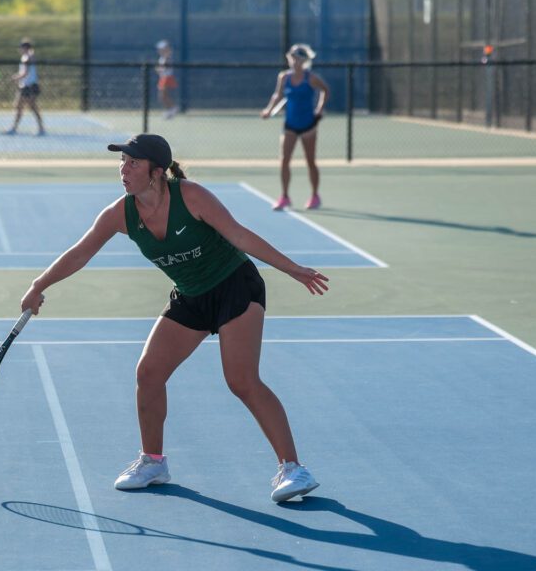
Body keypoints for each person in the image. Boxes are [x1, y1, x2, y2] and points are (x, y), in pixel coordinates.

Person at [19, 133, 331, 503]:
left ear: (157, 172)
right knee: (148, 373)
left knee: (242, 381)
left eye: (133, 163)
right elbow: (80, 252)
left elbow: (238, 235)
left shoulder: (190, 196)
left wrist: (292, 269)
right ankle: (153, 463)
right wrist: (38, 285)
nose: (124, 169)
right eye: (122, 162)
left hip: (235, 287)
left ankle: (293, 468)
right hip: (190, 295)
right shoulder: (121, 213)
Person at [261, 43, 330, 211]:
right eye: (292, 57)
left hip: (308, 126)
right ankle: (284, 196)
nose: (294, 61)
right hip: (290, 125)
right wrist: (268, 110)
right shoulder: (284, 77)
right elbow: (277, 95)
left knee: (310, 161)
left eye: (297, 58)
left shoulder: (311, 78)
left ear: (304, 61)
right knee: (284, 160)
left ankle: (314, 195)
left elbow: (325, 90)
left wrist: (319, 109)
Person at [7, 37, 45, 136]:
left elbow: (25, 73)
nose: (20, 49)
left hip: (30, 86)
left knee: (32, 107)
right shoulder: (25, 57)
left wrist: (15, 77)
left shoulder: (28, 57)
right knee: (19, 106)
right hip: (24, 86)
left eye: (21, 47)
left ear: (25, 48)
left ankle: (41, 128)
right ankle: (14, 128)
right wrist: (18, 78)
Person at [155, 40, 178, 119]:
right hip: (163, 77)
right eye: (159, 49)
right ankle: (170, 110)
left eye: (162, 48)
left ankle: (172, 109)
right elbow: (161, 68)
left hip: (166, 78)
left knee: (162, 96)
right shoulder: (162, 57)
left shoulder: (167, 56)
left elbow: (164, 67)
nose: (159, 50)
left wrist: (159, 69)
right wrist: (159, 69)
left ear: (166, 48)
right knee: (163, 96)